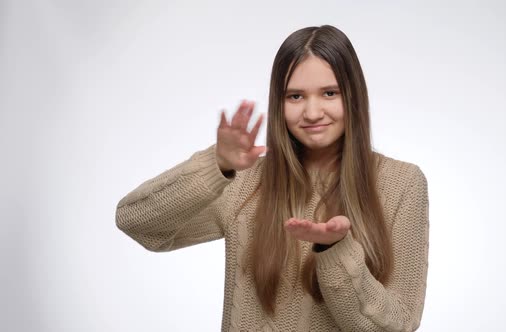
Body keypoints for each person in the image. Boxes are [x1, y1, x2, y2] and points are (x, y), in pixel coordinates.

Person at [116, 25, 429, 331]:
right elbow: (137, 221)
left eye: (329, 93)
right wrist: (216, 167)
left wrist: (336, 251)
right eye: (295, 96)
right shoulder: (242, 180)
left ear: (353, 96)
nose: (312, 112)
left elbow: (398, 324)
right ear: (278, 102)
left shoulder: (402, 182)